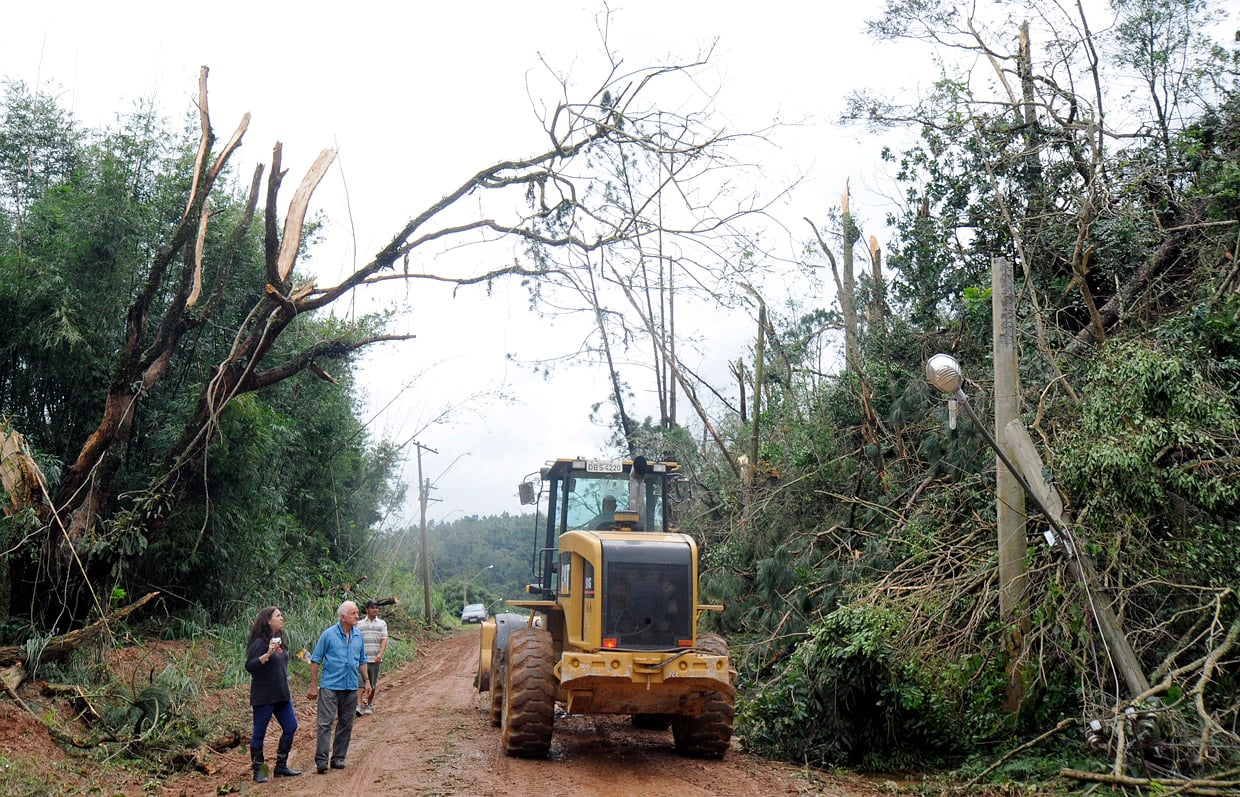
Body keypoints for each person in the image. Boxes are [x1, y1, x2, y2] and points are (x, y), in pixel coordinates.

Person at [307, 600, 369, 774]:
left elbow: (362, 660)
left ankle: (339, 758)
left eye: (357, 613)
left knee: (346, 723)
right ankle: (321, 760)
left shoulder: (358, 636)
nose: (358, 616)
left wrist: (366, 680)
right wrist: (313, 685)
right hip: (330, 686)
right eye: (354, 613)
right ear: (343, 617)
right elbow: (316, 659)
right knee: (325, 723)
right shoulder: (328, 635)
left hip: (350, 686)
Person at [244, 606, 301, 781]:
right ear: (268, 620)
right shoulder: (260, 643)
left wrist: (314, 659)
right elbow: (249, 666)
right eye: (278, 616)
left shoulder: (280, 640)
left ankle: (281, 766)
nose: (282, 618)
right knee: (259, 733)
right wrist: (266, 654)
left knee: (291, 726)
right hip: (264, 695)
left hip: (282, 694)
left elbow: (293, 655)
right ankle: (259, 771)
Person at [356, 599, 389, 716]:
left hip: (375, 658)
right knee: (360, 683)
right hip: (361, 659)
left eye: (376, 608)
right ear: (367, 609)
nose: (375, 610)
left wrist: (380, 654)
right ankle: (359, 705)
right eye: (372, 607)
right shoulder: (359, 624)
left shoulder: (382, 624)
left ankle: (369, 704)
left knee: (372, 684)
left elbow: (384, 639)